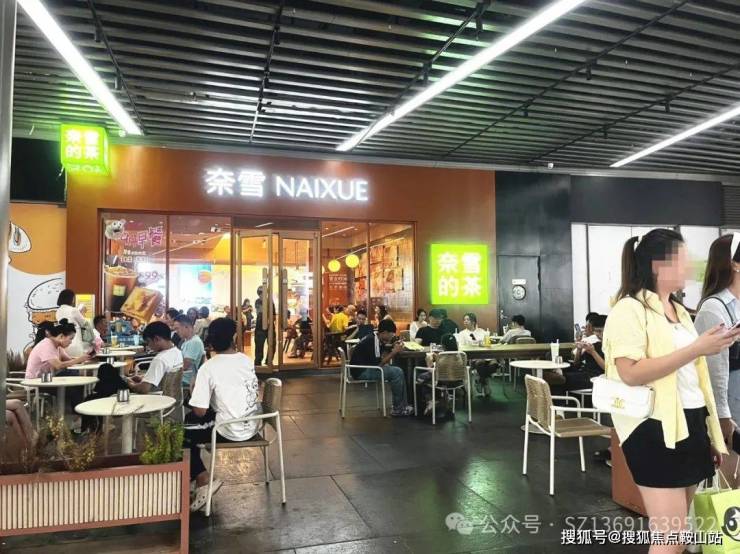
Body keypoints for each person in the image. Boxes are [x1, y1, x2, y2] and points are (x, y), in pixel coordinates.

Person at [603, 229, 737, 549]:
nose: (690, 267)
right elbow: (630, 373)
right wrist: (697, 349)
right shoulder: (629, 309)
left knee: (678, 537)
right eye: (682, 259)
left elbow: (690, 377)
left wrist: (708, 433)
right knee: (670, 536)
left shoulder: (678, 311)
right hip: (652, 428)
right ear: (658, 265)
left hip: (689, 423)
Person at [185, 317, 260, 512]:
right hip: (253, 425)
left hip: (227, 430)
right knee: (192, 424)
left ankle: (202, 480)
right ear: (234, 337)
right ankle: (195, 479)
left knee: (182, 431)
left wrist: (193, 390)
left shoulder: (209, 367)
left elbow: (200, 410)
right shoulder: (246, 360)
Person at [695, 233, 740, 448]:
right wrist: (722, 414)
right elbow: (714, 369)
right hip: (733, 403)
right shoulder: (713, 308)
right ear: (735, 265)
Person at [349, 319, 413, 416]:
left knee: (397, 370)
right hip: (361, 371)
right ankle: (398, 408)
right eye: (391, 335)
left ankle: (402, 405)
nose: (392, 337)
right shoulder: (372, 341)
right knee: (397, 372)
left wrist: (393, 346)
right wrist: (394, 352)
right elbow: (378, 365)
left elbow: (380, 354)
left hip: (362, 368)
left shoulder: (374, 337)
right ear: (384, 333)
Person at [127, 321, 184, 394]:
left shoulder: (160, 359)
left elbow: (144, 389)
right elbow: (166, 379)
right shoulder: (178, 352)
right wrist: (146, 378)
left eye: (148, 342)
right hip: (174, 398)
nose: (148, 346)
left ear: (156, 339)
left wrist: (130, 383)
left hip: (158, 398)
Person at [25, 319, 91, 378]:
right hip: (35, 383)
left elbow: (69, 360)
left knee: (74, 374)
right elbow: (58, 365)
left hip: (46, 379)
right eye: (70, 339)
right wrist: (78, 360)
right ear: (61, 336)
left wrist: (85, 357)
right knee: (74, 376)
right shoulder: (46, 345)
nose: (71, 342)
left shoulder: (57, 346)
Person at [566, 314, 606, 390]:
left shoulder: (611, 346)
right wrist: (579, 349)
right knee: (562, 377)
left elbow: (606, 368)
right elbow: (576, 364)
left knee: (563, 379)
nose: (599, 335)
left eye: (601, 331)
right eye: (597, 331)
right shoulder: (592, 341)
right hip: (585, 372)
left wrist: (593, 352)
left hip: (597, 376)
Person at [55, 288, 91, 357]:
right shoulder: (73, 310)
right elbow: (84, 323)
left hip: (63, 343)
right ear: (71, 299)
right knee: (77, 361)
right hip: (74, 341)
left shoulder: (58, 311)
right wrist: (82, 313)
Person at [174, 314, 206, 390]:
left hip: (185, 380)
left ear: (186, 327)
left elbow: (185, 366)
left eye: (177, 328)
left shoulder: (194, 342)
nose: (176, 331)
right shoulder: (187, 341)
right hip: (182, 377)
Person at [254, 286, 276, 366]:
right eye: (260, 293)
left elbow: (274, 315)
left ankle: (269, 361)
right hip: (260, 327)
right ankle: (258, 363)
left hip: (270, 327)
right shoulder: (258, 301)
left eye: (264, 293)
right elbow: (261, 312)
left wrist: (271, 320)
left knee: (272, 344)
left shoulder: (270, 302)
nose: (262, 295)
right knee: (259, 346)